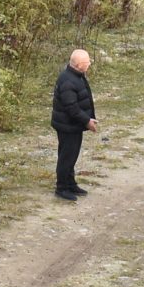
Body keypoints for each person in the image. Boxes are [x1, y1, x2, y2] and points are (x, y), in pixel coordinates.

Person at [50, 48, 97, 199]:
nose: (89, 64)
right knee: (67, 157)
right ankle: (62, 188)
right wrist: (87, 121)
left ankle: (70, 184)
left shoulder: (76, 75)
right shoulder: (67, 81)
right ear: (77, 65)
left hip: (73, 125)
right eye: (87, 62)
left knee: (72, 156)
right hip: (67, 126)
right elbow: (72, 108)